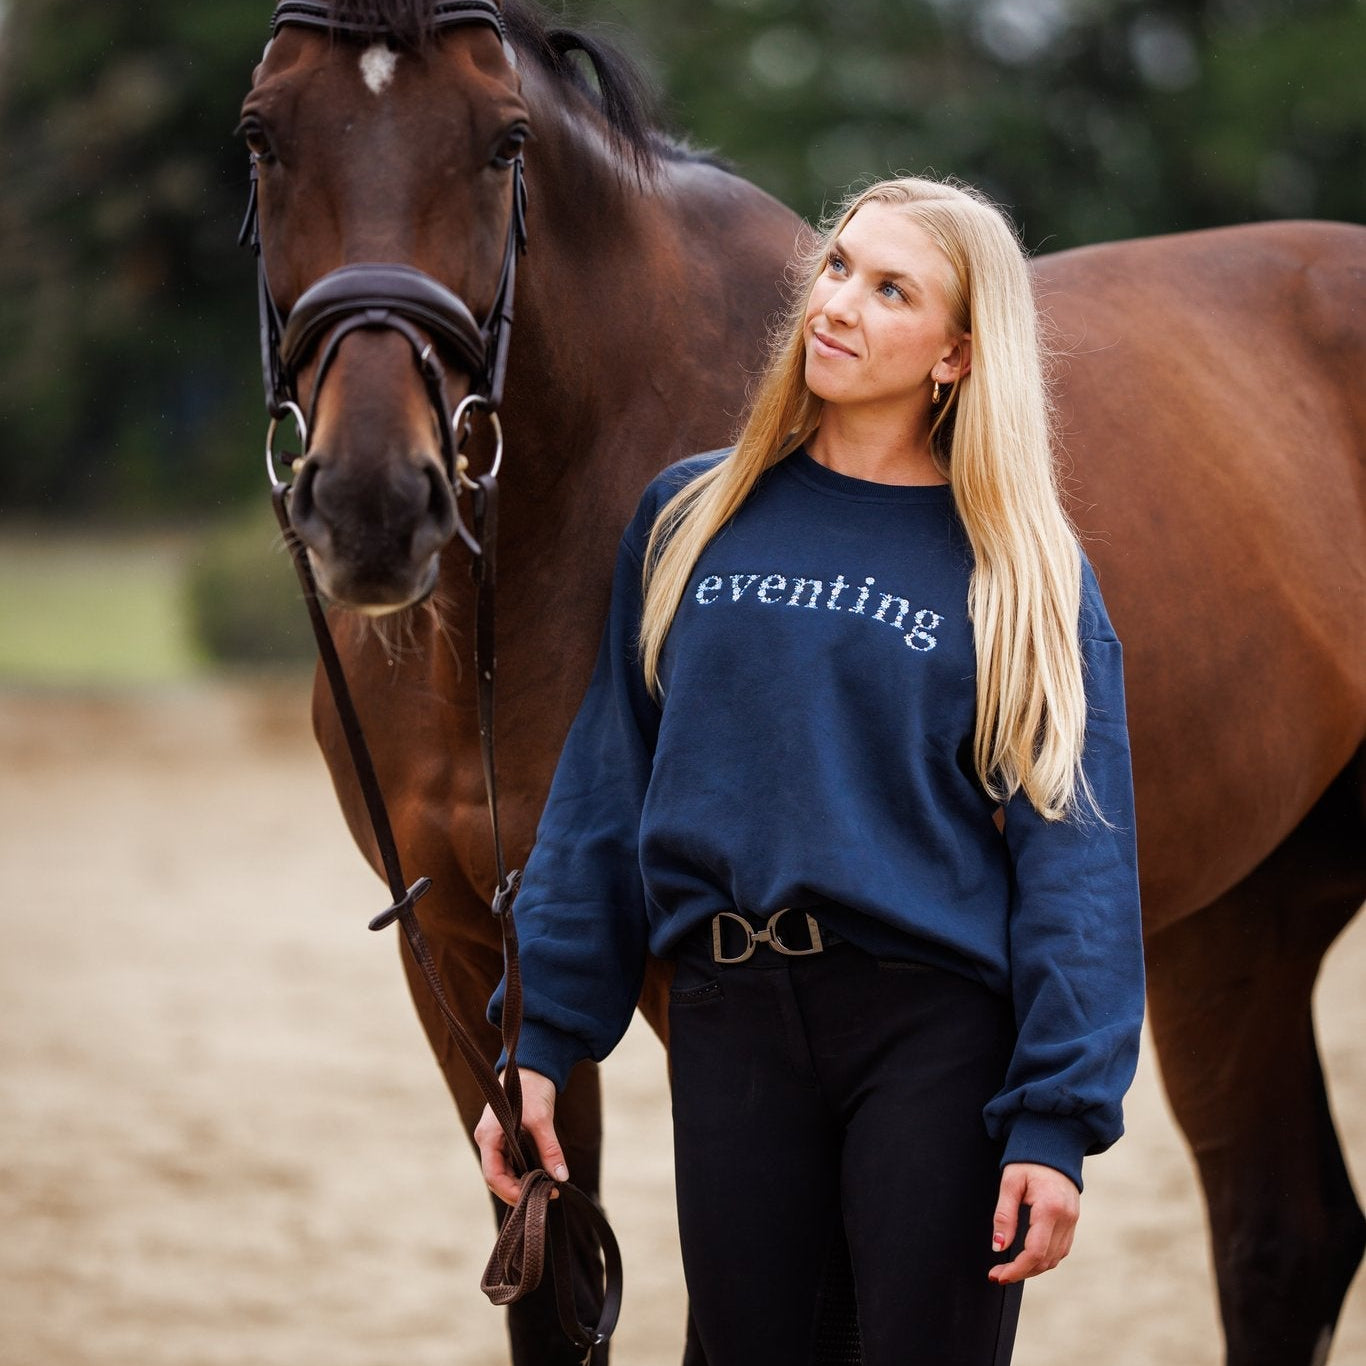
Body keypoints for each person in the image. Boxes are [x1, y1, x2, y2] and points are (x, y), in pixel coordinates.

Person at [475, 175, 1144, 1366]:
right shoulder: (691, 513)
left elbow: (1077, 860)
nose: (838, 303)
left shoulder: (1023, 571)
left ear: (955, 353)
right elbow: (601, 797)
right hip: (728, 1019)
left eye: (891, 290)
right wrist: (538, 1037)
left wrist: (1054, 1116)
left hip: (933, 1031)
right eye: (838, 267)